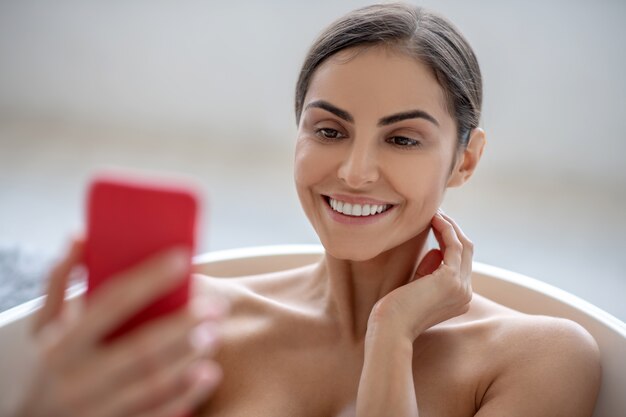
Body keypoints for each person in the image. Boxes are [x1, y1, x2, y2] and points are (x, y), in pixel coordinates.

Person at [14, 3, 601, 416]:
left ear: (465, 159)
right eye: (328, 130)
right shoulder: (202, 326)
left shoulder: (540, 357)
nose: (354, 172)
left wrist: (391, 336)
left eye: (402, 139)